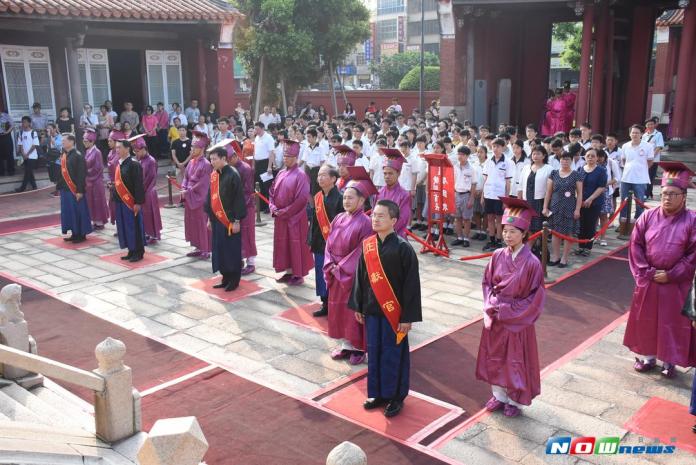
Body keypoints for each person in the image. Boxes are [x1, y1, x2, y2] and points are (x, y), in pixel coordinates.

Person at [349, 199, 422, 418]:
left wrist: (407, 317)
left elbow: (411, 286)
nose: (375, 219)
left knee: (393, 353)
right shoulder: (368, 245)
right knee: (375, 351)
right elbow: (360, 277)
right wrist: (359, 305)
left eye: (381, 216)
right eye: (374, 215)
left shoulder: (404, 249)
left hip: (394, 314)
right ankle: (378, 393)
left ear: (393, 220)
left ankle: (395, 396)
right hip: (372, 310)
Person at [624, 162, 696, 379]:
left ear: (683, 196)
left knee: (672, 322)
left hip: (676, 283)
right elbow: (636, 245)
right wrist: (646, 272)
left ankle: (669, 360)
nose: (667, 198)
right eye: (664, 193)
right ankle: (646, 357)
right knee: (645, 319)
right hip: (650, 279)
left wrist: (672, 274)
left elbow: (693, 253)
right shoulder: (647, 216)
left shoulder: (692, 220)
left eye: (673, 194)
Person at [476, 197, 546, 417]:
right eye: (505, 230)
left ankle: (514, 400)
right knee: (495, 356)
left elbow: (536, 296)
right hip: (497, 316)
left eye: (513, 231)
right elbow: (487, 283)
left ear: (524, 234)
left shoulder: (532, 262)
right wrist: (491, 305)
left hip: (517, 319)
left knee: (514, 360)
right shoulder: (497, 255)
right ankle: (498, 395)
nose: (507, 235)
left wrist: (508, 311)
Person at [325, 172, 375, 365]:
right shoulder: (338, 217)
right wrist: (330, 264)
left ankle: (359, 347)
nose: (346, 200)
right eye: (344, 197)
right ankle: (346, 345)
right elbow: (329, 242)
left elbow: (361, 251)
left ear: (361, 200)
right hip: (335, 271)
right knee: (338, 310)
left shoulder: (366, 223)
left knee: (353, 311)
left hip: (351, 275)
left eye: (350, 197)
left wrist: (341, 268)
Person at [269, 139, 314, 286]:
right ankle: (288, 271)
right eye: (284, 156)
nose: (285, 159)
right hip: (281, 217)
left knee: (295, 244)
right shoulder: (281, 172)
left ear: (295, 158)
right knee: (283, 244)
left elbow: (301, 199)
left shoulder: (301, 175)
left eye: (288, 157)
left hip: (295, 218)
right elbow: (271, 191)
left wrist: (285, 212)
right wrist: (273, 207)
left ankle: (298, 273)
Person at [204, 145, 247, 292]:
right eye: (211, 159)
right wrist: (209, 217)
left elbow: (238, 199)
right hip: (217, 221)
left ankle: (234, 280)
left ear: (224, 158)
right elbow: (210, 197)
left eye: (215, 159)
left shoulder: (233, 174)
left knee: (231, 251)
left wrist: (236, 220)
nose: (212, 162)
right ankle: (225, 277)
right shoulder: (214, 174)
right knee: (219, 250)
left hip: (229, 221)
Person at [309, 164, 344, 317]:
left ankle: (335, 305)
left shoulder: (341, 198)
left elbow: (343, 225)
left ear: (333, 179)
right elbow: (314, 223)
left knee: (332, 275)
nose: (320, 178)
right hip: (319, 243)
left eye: (324, 175)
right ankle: (325, 303)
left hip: (334, 245)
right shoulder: (318, 197)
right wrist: (311, 239)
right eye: (319, 175)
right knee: (320, 274)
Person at [224, 140, 257, 276]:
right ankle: (239, 260)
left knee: (248, 235)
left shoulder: (245, 169)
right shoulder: (229, 169)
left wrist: (238, 207)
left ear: (234, 157)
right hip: (234, 207)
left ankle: (251, 263)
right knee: (237, 236)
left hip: (246, 207)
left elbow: (247, 191)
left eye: (227, 159)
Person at [112, 136, 146, 262]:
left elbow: (138, 185)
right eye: (116, 148)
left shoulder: (134, 164)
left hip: (131, 202)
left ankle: (138, 251)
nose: (117, 150)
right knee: (124, 227)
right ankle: (130, 250)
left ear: (127, 149)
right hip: (120, 201)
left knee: (134, 227)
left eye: (119, 147)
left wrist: (138, 202)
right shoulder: (120, 163)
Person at [181, 132, 213, 258]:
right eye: (191, 147)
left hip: (199, 198)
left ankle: (205, 249)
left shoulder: (206, 164)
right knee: (191, 222)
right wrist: (184, 187)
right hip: (189, 196)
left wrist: (188, 191)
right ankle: (197, 246)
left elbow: (203, 183)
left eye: (194, 148)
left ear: (202, 149)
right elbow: (186, 177)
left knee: (201, 223)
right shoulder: (191, 162)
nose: (192, 150)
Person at [481, 138, 515, 251]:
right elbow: (485, 179)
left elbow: (508, 182)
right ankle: (491, 240)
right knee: (490, 218)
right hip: (488, 194)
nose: (495, 149)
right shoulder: (488, 161)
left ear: (503, 148)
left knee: (499, 220)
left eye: (498, 146)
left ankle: (499, 241)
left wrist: (506, 199)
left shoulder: (508, 162)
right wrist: (482, 196)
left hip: (500, 196)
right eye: (493, 146)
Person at [58, 133, 93, 243]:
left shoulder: (78, 155)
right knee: (69, 212)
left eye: (64, 140)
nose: (62, 142)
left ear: (71, 141)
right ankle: (74, 232)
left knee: (78, 212)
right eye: (62, 141)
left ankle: (81, 234)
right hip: (65, 189)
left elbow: (81, 175)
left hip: (75, 190)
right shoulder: (65, 155)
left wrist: (79, 191)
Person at [619, 124, 654, 229]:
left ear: (642, 134)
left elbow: (650, 161)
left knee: (639, 202)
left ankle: (638, 224)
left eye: (637, 133)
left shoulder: (648, 146)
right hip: (626, 178)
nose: (634, 134)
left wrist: (640, 170)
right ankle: (622, 224)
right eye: (632, 132)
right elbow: (624, 160)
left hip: (640, 179)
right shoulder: (625, 146)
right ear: (630, 134)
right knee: (623, 202)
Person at [574, 148, 607, 256]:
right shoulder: (580, 169)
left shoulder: (601, 170)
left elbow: (601, 187)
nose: (590, 158)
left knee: (590, 225)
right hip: (580, 201)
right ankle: (580, 246)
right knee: (581, 225)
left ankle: (588, 247)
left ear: (597, 158)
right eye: (588, 156)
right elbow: (576, 185)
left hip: (594, 202)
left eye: (593, 156)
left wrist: (590, 199)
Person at [133, 135, 162, 244]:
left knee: (150, 214)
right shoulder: (140, 160)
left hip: (149, 191)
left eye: (138, 151)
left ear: (144, 149)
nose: (136, 154)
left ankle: (153, 234)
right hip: (143, 191)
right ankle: (147, 233)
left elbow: (150, 178)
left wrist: (141, 189)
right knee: (144, 214)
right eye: (135, 151)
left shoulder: (151, 161)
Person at [375, 148, 411, 237]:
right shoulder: (379, 192)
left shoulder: (404, 195)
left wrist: (385, 231)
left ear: (398, 173)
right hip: (378, 235)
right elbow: (374, 213)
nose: (387, 176)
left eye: (390, 173)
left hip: (396, 237)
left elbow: (402, 219)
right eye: (385, 173)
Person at [83, 129, 109, 230]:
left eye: (86, 141)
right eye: (84, 141)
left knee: (97, 202)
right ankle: (95, 221)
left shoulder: (97, 152)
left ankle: (100, 222)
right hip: (89, 181)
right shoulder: (88, 151)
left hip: (96, 180)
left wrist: (86, 173)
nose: (84, 143)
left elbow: (98, 168)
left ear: (92, 141)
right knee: (91, 202)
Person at [451, 146, 477, 247]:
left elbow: (474, 184)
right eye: (459, 154)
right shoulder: (455, 166)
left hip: (466, 194)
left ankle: (466, 238)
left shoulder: (472, 169)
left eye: (462, 154)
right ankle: (459, 237)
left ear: (467, 156)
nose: (460, 156)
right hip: (456, 194)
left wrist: (471, 198)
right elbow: (452, 181)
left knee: (466, 219)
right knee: (457, 218)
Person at [253, 122, 276, 213]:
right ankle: (261, 205)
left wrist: (269, 167)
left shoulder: (268, 138)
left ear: (262, 128)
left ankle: (269, 205)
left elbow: (271, 153)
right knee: (259, 185)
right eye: (255, 129)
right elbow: (255, 152)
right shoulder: (257, 137)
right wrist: (254, 165)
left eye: (257, 129)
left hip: (265, 163)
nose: (256, 131)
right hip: (258, 163)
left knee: (267, 185)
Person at [15, 116, 40, 192]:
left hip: (32, 156)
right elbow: (20, 144)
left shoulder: (33, 132)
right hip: (24, 156)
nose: (23, 123)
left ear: (29, 123)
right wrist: (23, 154)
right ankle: (34, 186)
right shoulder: (21, 132)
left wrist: (27, 154)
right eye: (22, 122)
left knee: (27, 172)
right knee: (29, 172)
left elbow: (35, 145)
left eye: (25, 122)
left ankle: (22, 188)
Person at [106, 130, 124, 227]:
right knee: (113, 205)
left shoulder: (119, 154)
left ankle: (121, 225)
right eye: (108, 141)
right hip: (112, 182)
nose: (108, 143)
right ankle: (118, 225)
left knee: (118, 205)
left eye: (110, 141)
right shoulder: (110, 153)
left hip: (118, 183)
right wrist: (109, 180)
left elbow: (114, 167)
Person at [0, 110, 14, 176]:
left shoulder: (6, 116)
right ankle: (1, 172)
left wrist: (7, 132)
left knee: (9, 153)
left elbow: (12, 125)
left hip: (6, 136)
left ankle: (11, 170)